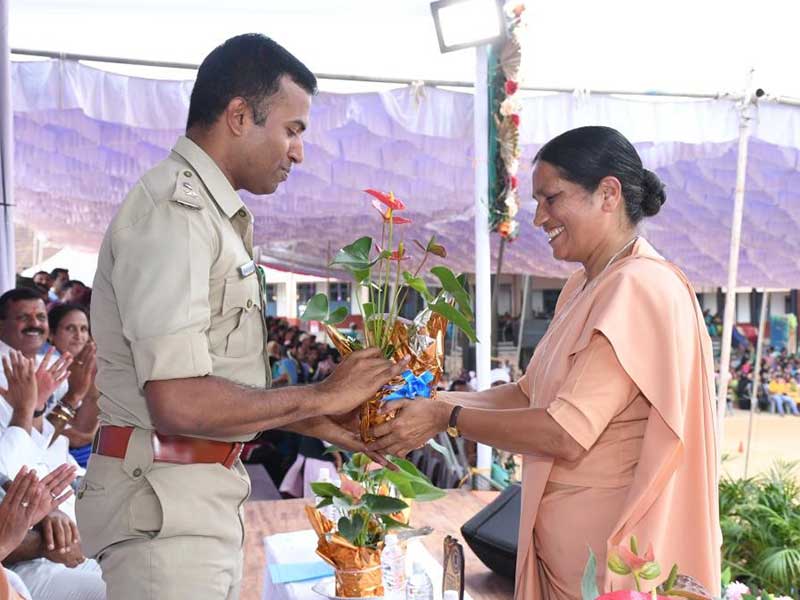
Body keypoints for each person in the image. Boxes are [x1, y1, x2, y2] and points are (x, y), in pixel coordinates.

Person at [76, 33, 404, 600]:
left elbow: (216, 387)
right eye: (292, 130)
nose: (298, 152)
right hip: (165, 516)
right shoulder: (176, 215)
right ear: (238, 116)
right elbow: (177, 402)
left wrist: (321, 420)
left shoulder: (210, 215)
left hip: (194, 500)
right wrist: (322, 395)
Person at [369, 126, 721, 599]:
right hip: (560, 557)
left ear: (608, 194)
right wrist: (431, 404)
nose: (538, 218)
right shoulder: (583, 285)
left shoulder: (638, 284)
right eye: (537, 202)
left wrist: (445, 417)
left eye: (551, 198)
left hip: (604, 568)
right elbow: (526, 394)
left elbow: (565, 433)